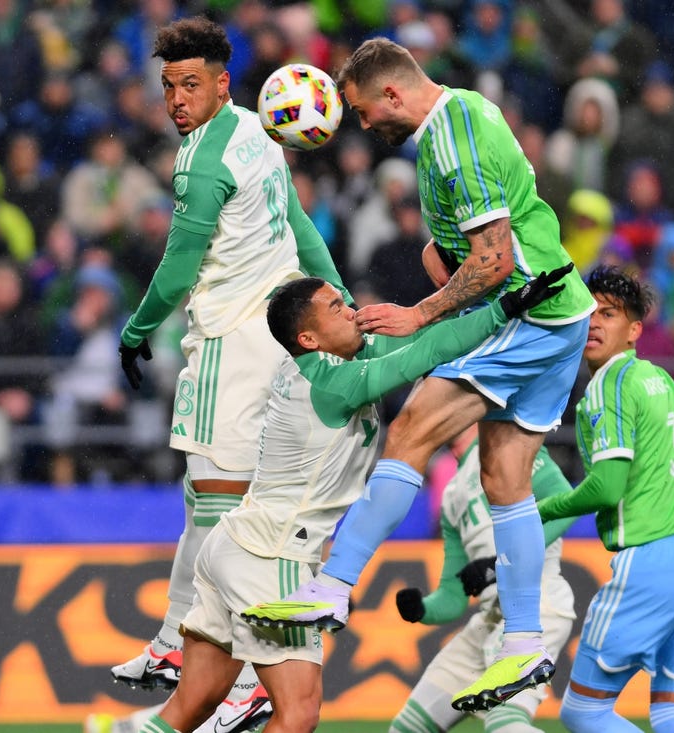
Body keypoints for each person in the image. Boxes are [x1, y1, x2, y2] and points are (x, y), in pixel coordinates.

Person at [242, 37, 596, 713]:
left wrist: (422, 313)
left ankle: (333, 587)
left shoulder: (452, 140)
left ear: (394, 94)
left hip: (525, 310)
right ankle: (524, 638)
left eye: (366, 113)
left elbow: (492, 261)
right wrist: (443, 260)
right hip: (560, 314)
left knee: (410, 430)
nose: (365, 127)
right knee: (504, 477)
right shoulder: (461, 119)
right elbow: (473, 238)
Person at [134, 269, 570, 733]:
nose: (352, 310)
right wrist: (503, 310)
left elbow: (427, 341)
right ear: (309, 337)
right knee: (297, 714)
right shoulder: (333, 384)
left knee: (190, 707)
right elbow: (422, 354)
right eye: (336, 309)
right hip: (272, 555)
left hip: (231, 547)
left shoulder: (317, 364)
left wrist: (463, 311)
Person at [111, 14, 350, 703]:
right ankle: (171, 642)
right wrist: (337, 290)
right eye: (167, 87)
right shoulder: (259, 132)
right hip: (274, 343)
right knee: (204, 501)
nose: (177, 100)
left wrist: (136, 329)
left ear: (221, 83)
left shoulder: (201, 159)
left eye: (190, 85)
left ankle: (248, 671)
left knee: (225, 514)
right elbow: (298, 225)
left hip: (230, 346)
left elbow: (180, 264)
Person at [534, 266, 674, 733]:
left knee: (583, 711)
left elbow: (605, 488)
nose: (594, 323)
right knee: (673, 713)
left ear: (634, 330)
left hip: (651, 564)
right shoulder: (657, 379)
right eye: (589, 313)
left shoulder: (609, 385)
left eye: (610, 314)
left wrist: (538, 511)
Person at [390, 427, 578, 733]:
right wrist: (421, 609)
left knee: (505, 726)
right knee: (406, 729)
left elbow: (567, 504)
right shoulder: (451, 495)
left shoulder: (513, 447)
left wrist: (499, 564)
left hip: (537, 607)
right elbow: (453, 597)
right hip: (489, 620)